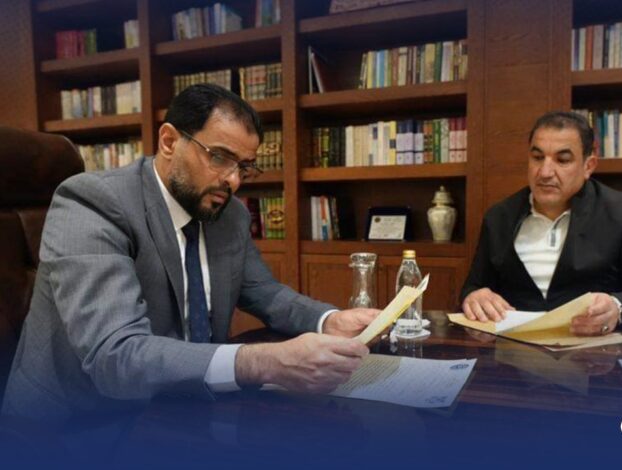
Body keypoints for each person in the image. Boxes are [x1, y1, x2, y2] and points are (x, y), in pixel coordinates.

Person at [2, 84, 379, 422]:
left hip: (182, 409)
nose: (233, 180)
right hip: (77, 425)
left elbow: (264, 292)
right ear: (169, 141)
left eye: (244, 167)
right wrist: (262, 361)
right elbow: (116, 355)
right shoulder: (93, 202)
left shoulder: (228, 213)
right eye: (219, 157)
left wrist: (328, 320)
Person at [460, 111, 622, 336]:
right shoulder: (499, 216)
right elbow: (473, 287)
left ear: (588, 166)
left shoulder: (621, 211)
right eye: (537, 157)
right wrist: (475, 297)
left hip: (596, 350)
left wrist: (618, 306)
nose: (545, 172)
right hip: (515, 346)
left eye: (562, 160)